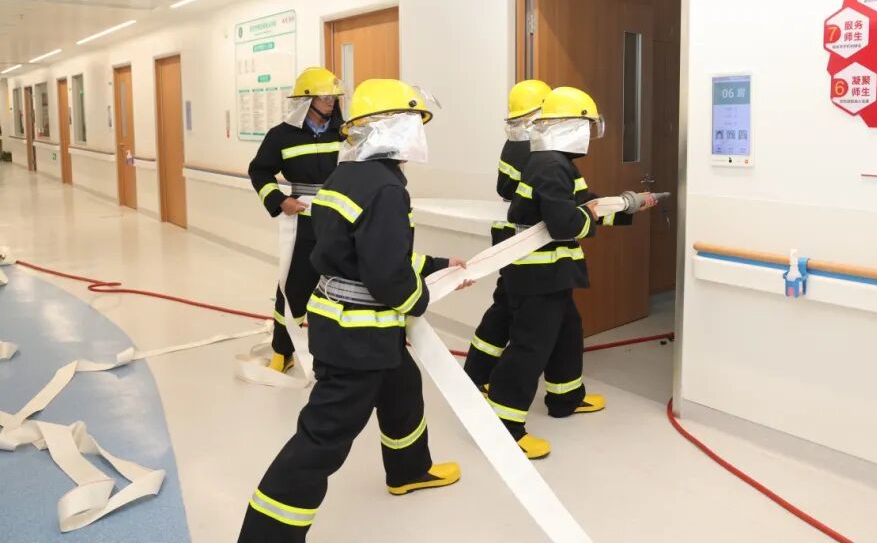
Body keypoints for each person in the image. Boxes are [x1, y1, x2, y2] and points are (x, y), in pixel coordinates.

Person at [238, 79, 472, 542]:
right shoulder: (385, 188)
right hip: (358, 338)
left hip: (346, 326)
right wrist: (421, 298)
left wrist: (438, 265)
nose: (418, 133)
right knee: (322, 438)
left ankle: (408, 469)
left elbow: (364, 253)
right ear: (388, 129)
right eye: (413, 122)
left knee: (402, 386)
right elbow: (385, 276)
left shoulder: (346, 176)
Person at [486, 86, 657, 459]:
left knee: (567, 332)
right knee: (531, 346)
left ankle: (565, 397)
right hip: (538, 274)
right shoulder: (549, 166)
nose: (589, 134)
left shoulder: (556, 162)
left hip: (553, 272)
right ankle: (503, 425)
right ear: (568, 126)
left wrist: (625, 208)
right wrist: (589, 215)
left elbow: (583, 203)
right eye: (586, 125)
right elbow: (565, 223)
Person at [248, 67, 345, 373]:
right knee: (294, 288)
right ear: (307, 100)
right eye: (325, 96)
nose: (331, 102)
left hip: (342, 221)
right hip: (305, 223)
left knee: (343, 286)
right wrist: (279, 201)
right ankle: (283, 352)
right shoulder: (281, 136)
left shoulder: (346, 133)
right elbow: (259, 171)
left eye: (334, 97)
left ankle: (337, 352)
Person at [463, 79, 551, 391]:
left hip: (509, 238)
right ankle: (500, 390)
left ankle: (476, 374)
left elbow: (505, 190)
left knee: (502, 309)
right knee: (522, 320)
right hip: (527, 244)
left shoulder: (515, 142)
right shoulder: (536, 150)